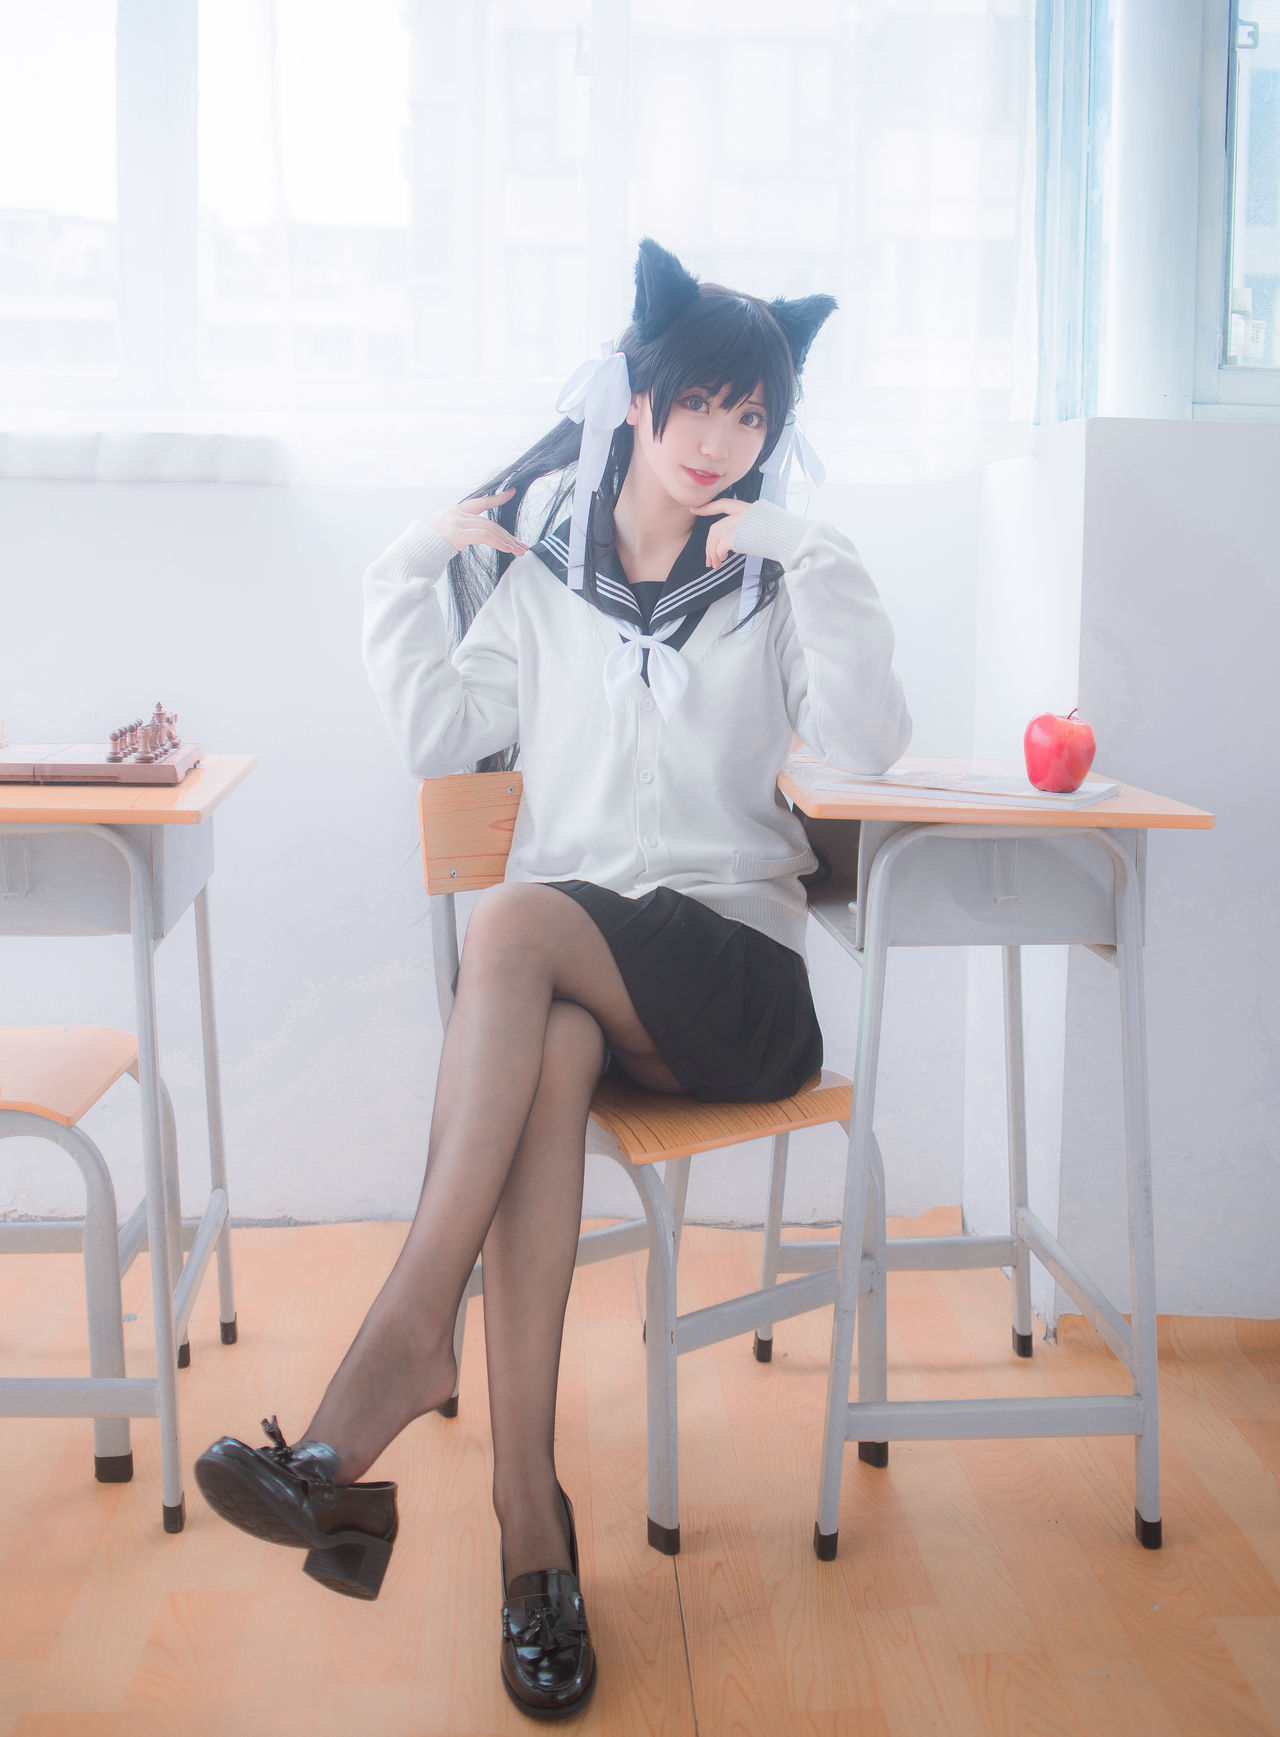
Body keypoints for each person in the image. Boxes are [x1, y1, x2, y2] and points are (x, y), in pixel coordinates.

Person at [194, 237, 911, 1720]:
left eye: (752, 418)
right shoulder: (546, 585)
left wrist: (813, 552)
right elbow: (442, 740)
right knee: (551, 1046)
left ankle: (401, 1350)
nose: (719, 441)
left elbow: (866, 748)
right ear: (636, 400)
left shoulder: (772, 581)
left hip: (740, 985)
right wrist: (412, 561)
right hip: (598, 991)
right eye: (696, 405)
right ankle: (535, 1533)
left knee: (515, 923)